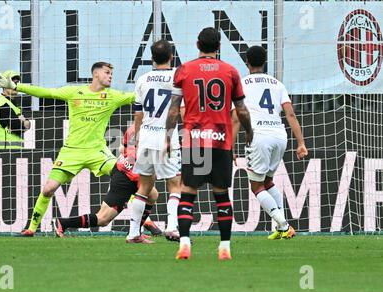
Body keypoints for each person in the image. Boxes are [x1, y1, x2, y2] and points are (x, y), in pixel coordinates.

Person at [0, 62, 135, 236]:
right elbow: (46, 92)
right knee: (48, 189)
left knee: (126, 176)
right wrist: (17, 86)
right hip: (71, 152)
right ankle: (31, 228)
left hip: (97, 151)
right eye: (107, 72)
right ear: (96, 74)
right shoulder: (74, 92)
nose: (111, 76)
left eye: (112, 73)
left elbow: (136, 96)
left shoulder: (113, 96)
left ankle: (143, 223)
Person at [164, 27, 253, 260]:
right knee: (222, 195)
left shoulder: (184, 70)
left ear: (197, 44)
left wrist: (167, 135)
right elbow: (242, 110)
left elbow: (174, 108)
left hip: (194, 141)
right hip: (221, 142)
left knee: (187, 193)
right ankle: (225, 247)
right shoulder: (231, 72)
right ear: (219, 47)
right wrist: (249, 132)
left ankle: (184, 242)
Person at [232, 46, 308, 240]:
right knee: (268, 181)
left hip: (259, 136)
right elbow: (290, 114)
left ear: (247, 63)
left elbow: (237, 118)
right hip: (279, 135)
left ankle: (283, 225)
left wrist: (230, 147)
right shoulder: (277, 83)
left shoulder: (242, 84)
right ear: (265, 62)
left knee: (256, 187)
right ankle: (280, 226)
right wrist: (301, 143)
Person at [52, 124, 158, 244]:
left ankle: (135, 233)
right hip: (125, 178)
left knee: (152, 194)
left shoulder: (136, 127)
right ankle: (64, 223)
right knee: (103, 219)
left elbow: (121, 149)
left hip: (128, 172)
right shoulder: (152, 131)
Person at [127, 39, 182, 243]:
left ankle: (133, 232)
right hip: (166, 137)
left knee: (144, 186)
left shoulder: (142, 79)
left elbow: (138, 114)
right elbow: (178, 110)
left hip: (147, 136)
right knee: (175, 184)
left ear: (152, 58)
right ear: (171, 56)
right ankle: (172, 227)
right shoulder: (178, 77)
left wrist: (138, 136)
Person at [0, 70, 31, 149]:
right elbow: (18, 127)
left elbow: (26, 124)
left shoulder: (12, 104)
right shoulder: (2, 104)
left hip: (12, 152)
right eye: (11, 82)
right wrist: (24, 122)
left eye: (16, 83)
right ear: (3, 84)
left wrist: (24, 121)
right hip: (4, 152)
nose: (14, 85)